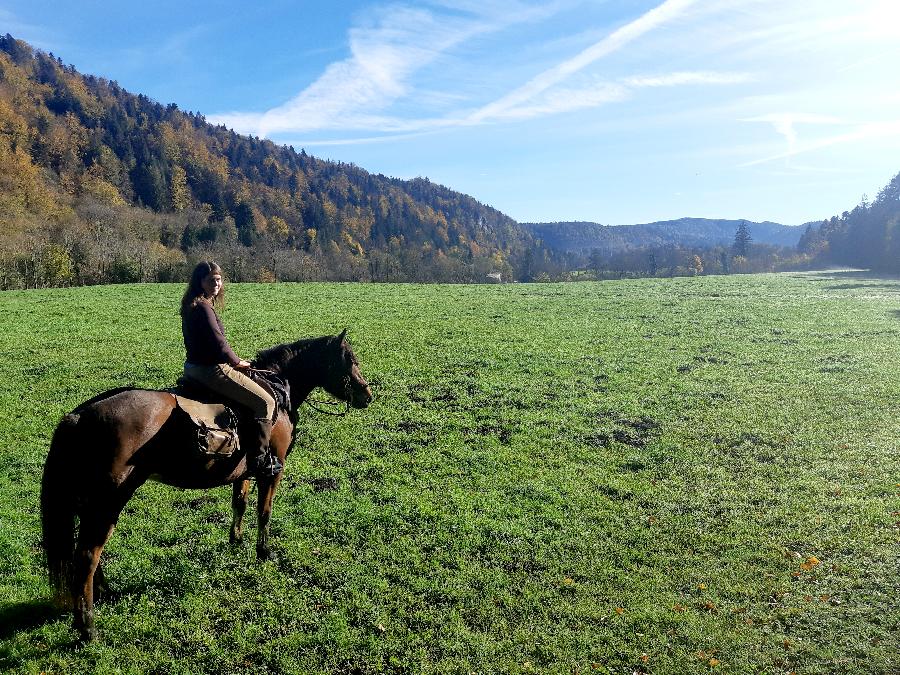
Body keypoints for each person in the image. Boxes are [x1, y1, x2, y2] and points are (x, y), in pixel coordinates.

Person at [180, 261, 282, 477]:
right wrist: (236, 362)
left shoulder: (193, 304)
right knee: (266, 402)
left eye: (218, 279)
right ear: (200, 282)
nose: (216, 283)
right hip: (211, 370)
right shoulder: (204, 308)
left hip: (192, 368)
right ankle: (259, 461)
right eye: (211, 280)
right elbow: (219, 343)